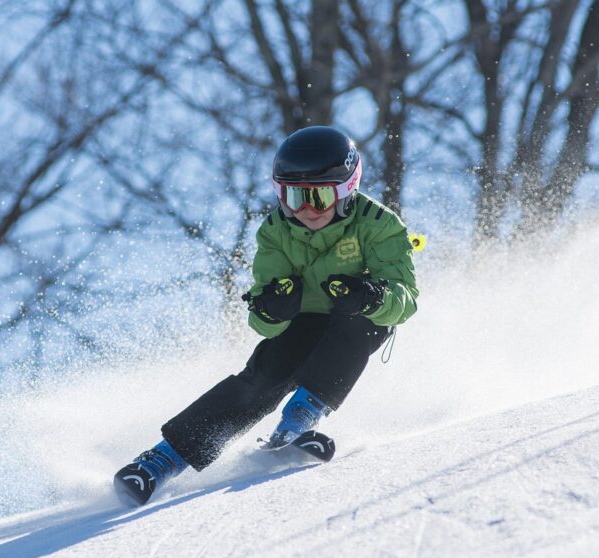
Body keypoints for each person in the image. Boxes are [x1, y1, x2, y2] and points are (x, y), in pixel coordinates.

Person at [114, 126, 419, 505]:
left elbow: (405, 300)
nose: (305, 210)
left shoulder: (379, 224)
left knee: (360, 324)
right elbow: (262, 320)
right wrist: (272, 309)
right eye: (292, 197)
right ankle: (162, 460)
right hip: (303, 321)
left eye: (318, 197)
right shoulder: (276, 231)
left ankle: (298, 421)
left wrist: (372, 297)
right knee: (265, 375)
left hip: (357, 317)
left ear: (346, 191)